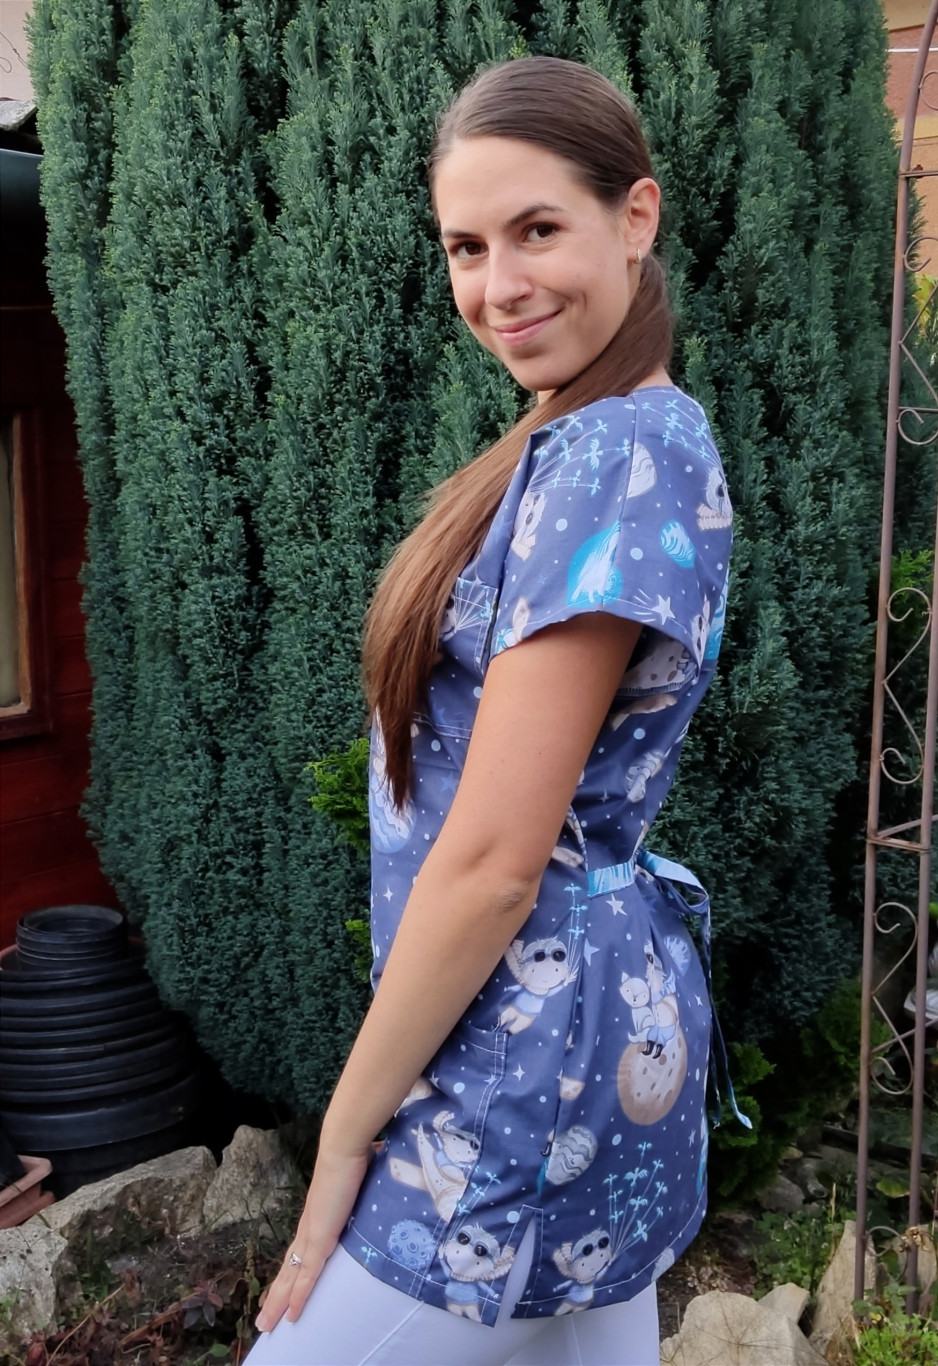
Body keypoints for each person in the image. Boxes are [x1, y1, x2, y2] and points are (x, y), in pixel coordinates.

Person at [247, 54, 738, 1366]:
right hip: (586, 1036)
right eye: (467, 247)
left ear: (635, 216)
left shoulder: (612, 452)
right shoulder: (616, 431)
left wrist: (345, 1132)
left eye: (537, 230)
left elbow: (492, 862)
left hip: (516, 1074)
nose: (498, 285)